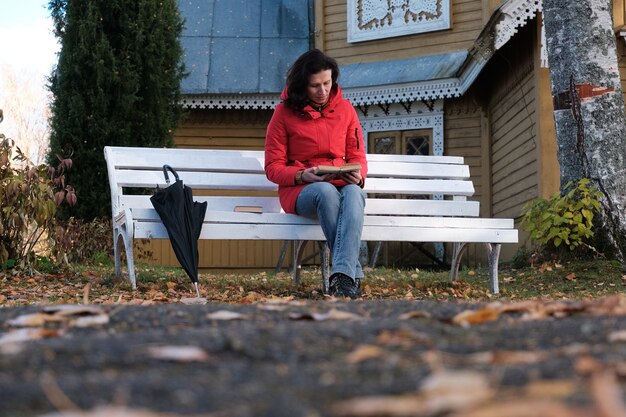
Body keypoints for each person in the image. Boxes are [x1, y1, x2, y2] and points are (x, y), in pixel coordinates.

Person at [264, 49, 368, 299]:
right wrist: (302, 175)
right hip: (300, 191)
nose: (323, 91)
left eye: (327, 83)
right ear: (302, 85)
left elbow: (357, 156)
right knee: (325, 191)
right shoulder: (283, 114)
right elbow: (273, 168)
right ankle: (352, 272)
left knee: (355, 192)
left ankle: (342, 278)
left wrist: (358, 175)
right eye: (315, 86)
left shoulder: (346, 109)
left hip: (341, 184)